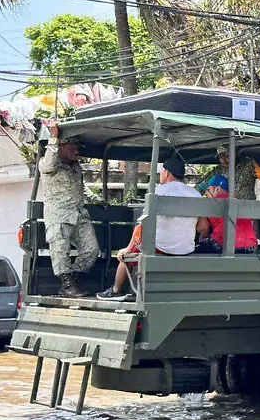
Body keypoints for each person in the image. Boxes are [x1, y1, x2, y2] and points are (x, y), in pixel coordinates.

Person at [97, 151, 202, 301]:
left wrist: (128, 248)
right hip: (186, 249)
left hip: (161, 247)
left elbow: (143, 225)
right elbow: (202, 226)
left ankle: (116, 290)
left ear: (167, 173)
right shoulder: (196, 194)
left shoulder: (159, 192)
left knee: (127, 255)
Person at [39, 125, 97, 297]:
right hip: (59, 215)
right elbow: (50, 161)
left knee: (91, 249)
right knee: (60, 250)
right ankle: (67, 284)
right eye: (72, 147)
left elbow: (81, 188)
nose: (76, 151)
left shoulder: (75, 167)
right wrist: (54, 138)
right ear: (60, 147)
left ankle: (73, 279)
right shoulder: (48, 164)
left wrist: (97, 199)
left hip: (78, 214)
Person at [195, 175, 259, 254]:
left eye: (208, 190)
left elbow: (203, 228)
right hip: (250, 246)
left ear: (217, 189)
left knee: (195, 249)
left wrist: (202, 241)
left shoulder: (209, 203)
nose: (206, 193)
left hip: (223, 244)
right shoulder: (239, 202)